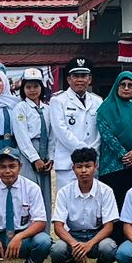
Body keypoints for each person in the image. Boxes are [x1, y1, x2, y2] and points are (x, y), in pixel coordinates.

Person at [50, 146, 119, 263]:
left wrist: (89, 244)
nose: (84, 171)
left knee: (108, 248)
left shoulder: (106, 191)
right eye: (79, 167)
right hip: (74, 236)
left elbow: (109, 226)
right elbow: (58, 226)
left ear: (96, 167)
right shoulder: (64, 192)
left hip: (96, 236)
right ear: (73, 168)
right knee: (57, 250)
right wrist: (75, 245)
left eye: (88, 166)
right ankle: (70, 261)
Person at [96, 70, 132, 203]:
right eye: (122, 84)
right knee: (112, 206)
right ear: (116, 87)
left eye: (130, 85)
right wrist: (124, 155)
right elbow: (107, 135)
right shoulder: (105, 109)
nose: (126, 88)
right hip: (112, 165)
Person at [48, 57, 102, 192]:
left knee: (92, 201)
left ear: (90, 79)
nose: (80, 80)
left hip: (92, 161)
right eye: (76, 76)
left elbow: (101, 129)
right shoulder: (58, 100)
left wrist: (93, 150)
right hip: (68, 162)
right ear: (68, 80)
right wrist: (83, 149)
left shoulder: (97, 101)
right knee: (68, 202)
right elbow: (60, 130)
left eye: (84, 76)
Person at [9, 67, 55, 203]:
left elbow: (52, 135)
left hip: (45, 150)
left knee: (45, 194)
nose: (32, 90)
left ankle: (45, 224)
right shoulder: (20, 108)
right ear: (23, 88)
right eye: (28, 87)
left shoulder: (47, 109)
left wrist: (51, 156)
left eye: (36, 86)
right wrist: (35, 159)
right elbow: (21, 136)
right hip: (28, 152)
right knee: (29, 192)